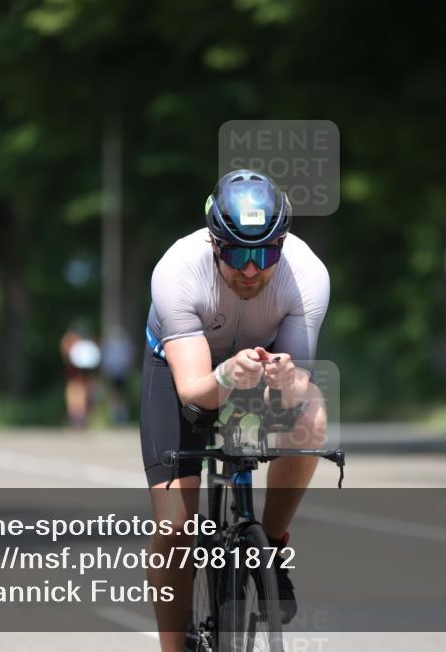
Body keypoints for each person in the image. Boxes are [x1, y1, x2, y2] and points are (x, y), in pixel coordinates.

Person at [141, 169, 330, 651]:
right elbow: (194, 392)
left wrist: (289, 382)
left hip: (259, 364)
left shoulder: (306, 274)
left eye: (265, 253)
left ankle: (270, 546)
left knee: (310, 417)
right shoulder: (177, 271)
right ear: (214, 243)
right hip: (183, 371)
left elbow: (298, 393)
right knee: (175, 529)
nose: (251, 269)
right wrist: (226, 376)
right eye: (238, 254)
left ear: (282, 245)